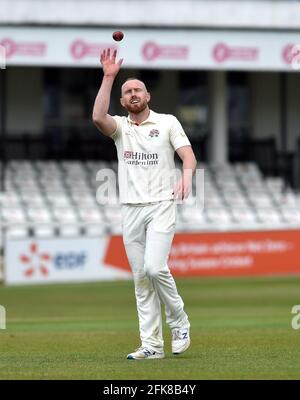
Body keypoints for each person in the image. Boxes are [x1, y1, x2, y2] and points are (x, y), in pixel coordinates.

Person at [92, 48, 197, 360]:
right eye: (127, 92)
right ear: (123, 102)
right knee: (141, 279)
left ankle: (179, 320)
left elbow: (187, 155)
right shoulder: (121, 129)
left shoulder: (167, 122)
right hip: (131, 208)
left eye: (137, 89)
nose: (133, 94)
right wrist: (109, 77)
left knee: (154, 267)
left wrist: (187, 177)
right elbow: (98, 117)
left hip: (162, 203)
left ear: (148, 95)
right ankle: (151, 345)